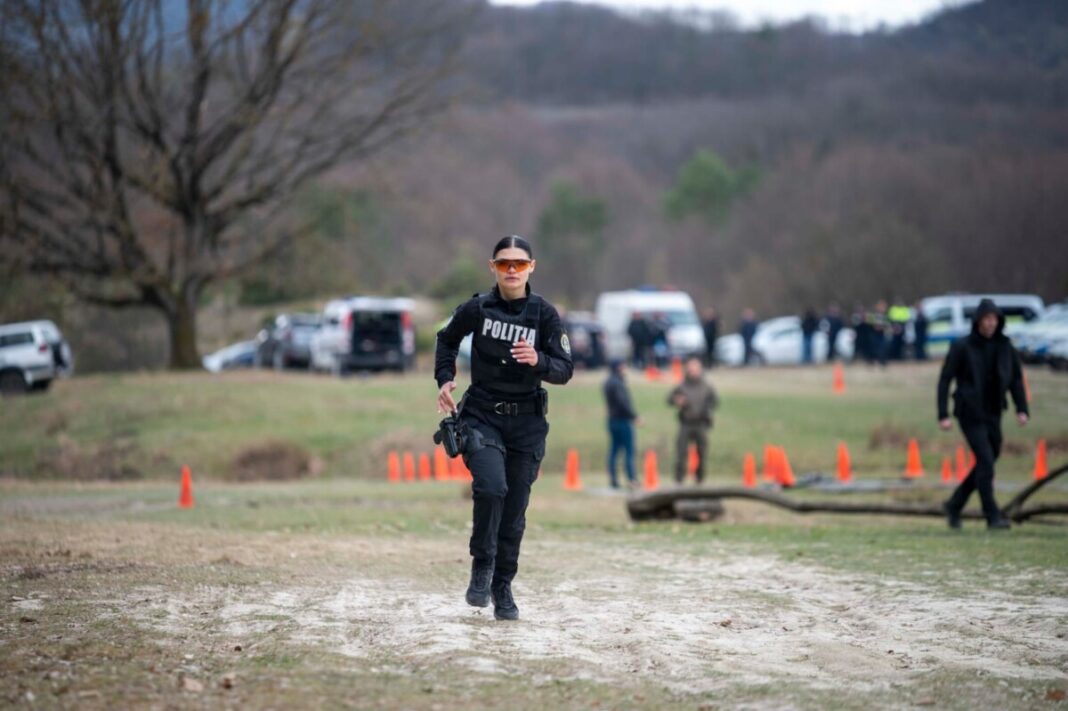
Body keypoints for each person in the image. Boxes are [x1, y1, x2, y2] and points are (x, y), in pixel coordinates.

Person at [435, 235, 573, 620]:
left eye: (519, 263)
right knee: (491, 487)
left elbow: (565, 369)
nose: (511, 270)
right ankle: (482, 566)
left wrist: (539, 361)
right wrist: (445, 379)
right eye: (503, 263)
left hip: (527, 423)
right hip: (482, 415)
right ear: (492, 267)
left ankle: (503, 585)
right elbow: (446, 340)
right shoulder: (477, 308)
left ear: (532, 267)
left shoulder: (544, 315)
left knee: (514, 510)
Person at [937, 299, 1029, 530]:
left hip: (994, 411)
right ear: (978, 321)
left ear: (999, 321)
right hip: (969, 412)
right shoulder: (962, 346)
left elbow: (1016, 380)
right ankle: (992, 515)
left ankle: (955, 504)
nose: (990, 323)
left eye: (994, 319)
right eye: (986, 319)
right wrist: (943, 414)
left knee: (986, 462)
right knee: (986, 460)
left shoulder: (1006, 347)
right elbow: (945, 379)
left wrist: (1022, 408)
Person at [667, 356, 719, 484]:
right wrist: (677, 401)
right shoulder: (682, 386)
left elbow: (715, 402)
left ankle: (699, 478)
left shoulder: (706, 386)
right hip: (686, 423)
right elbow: (669, 400)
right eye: (691, 368)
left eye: (696, 368)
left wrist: (707, 410)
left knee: (702, 452)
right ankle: (679, 479)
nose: (693, 370)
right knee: (681, 452)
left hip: (701, 423)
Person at [603, 359, 639, 489]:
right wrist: (634, 416)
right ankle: (632, 479)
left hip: (612, 420)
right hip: (623, 420)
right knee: (629, 450)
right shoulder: (618, 383)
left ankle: (613, 479)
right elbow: (623, 403)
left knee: (614, 450)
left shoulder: (607, 382)